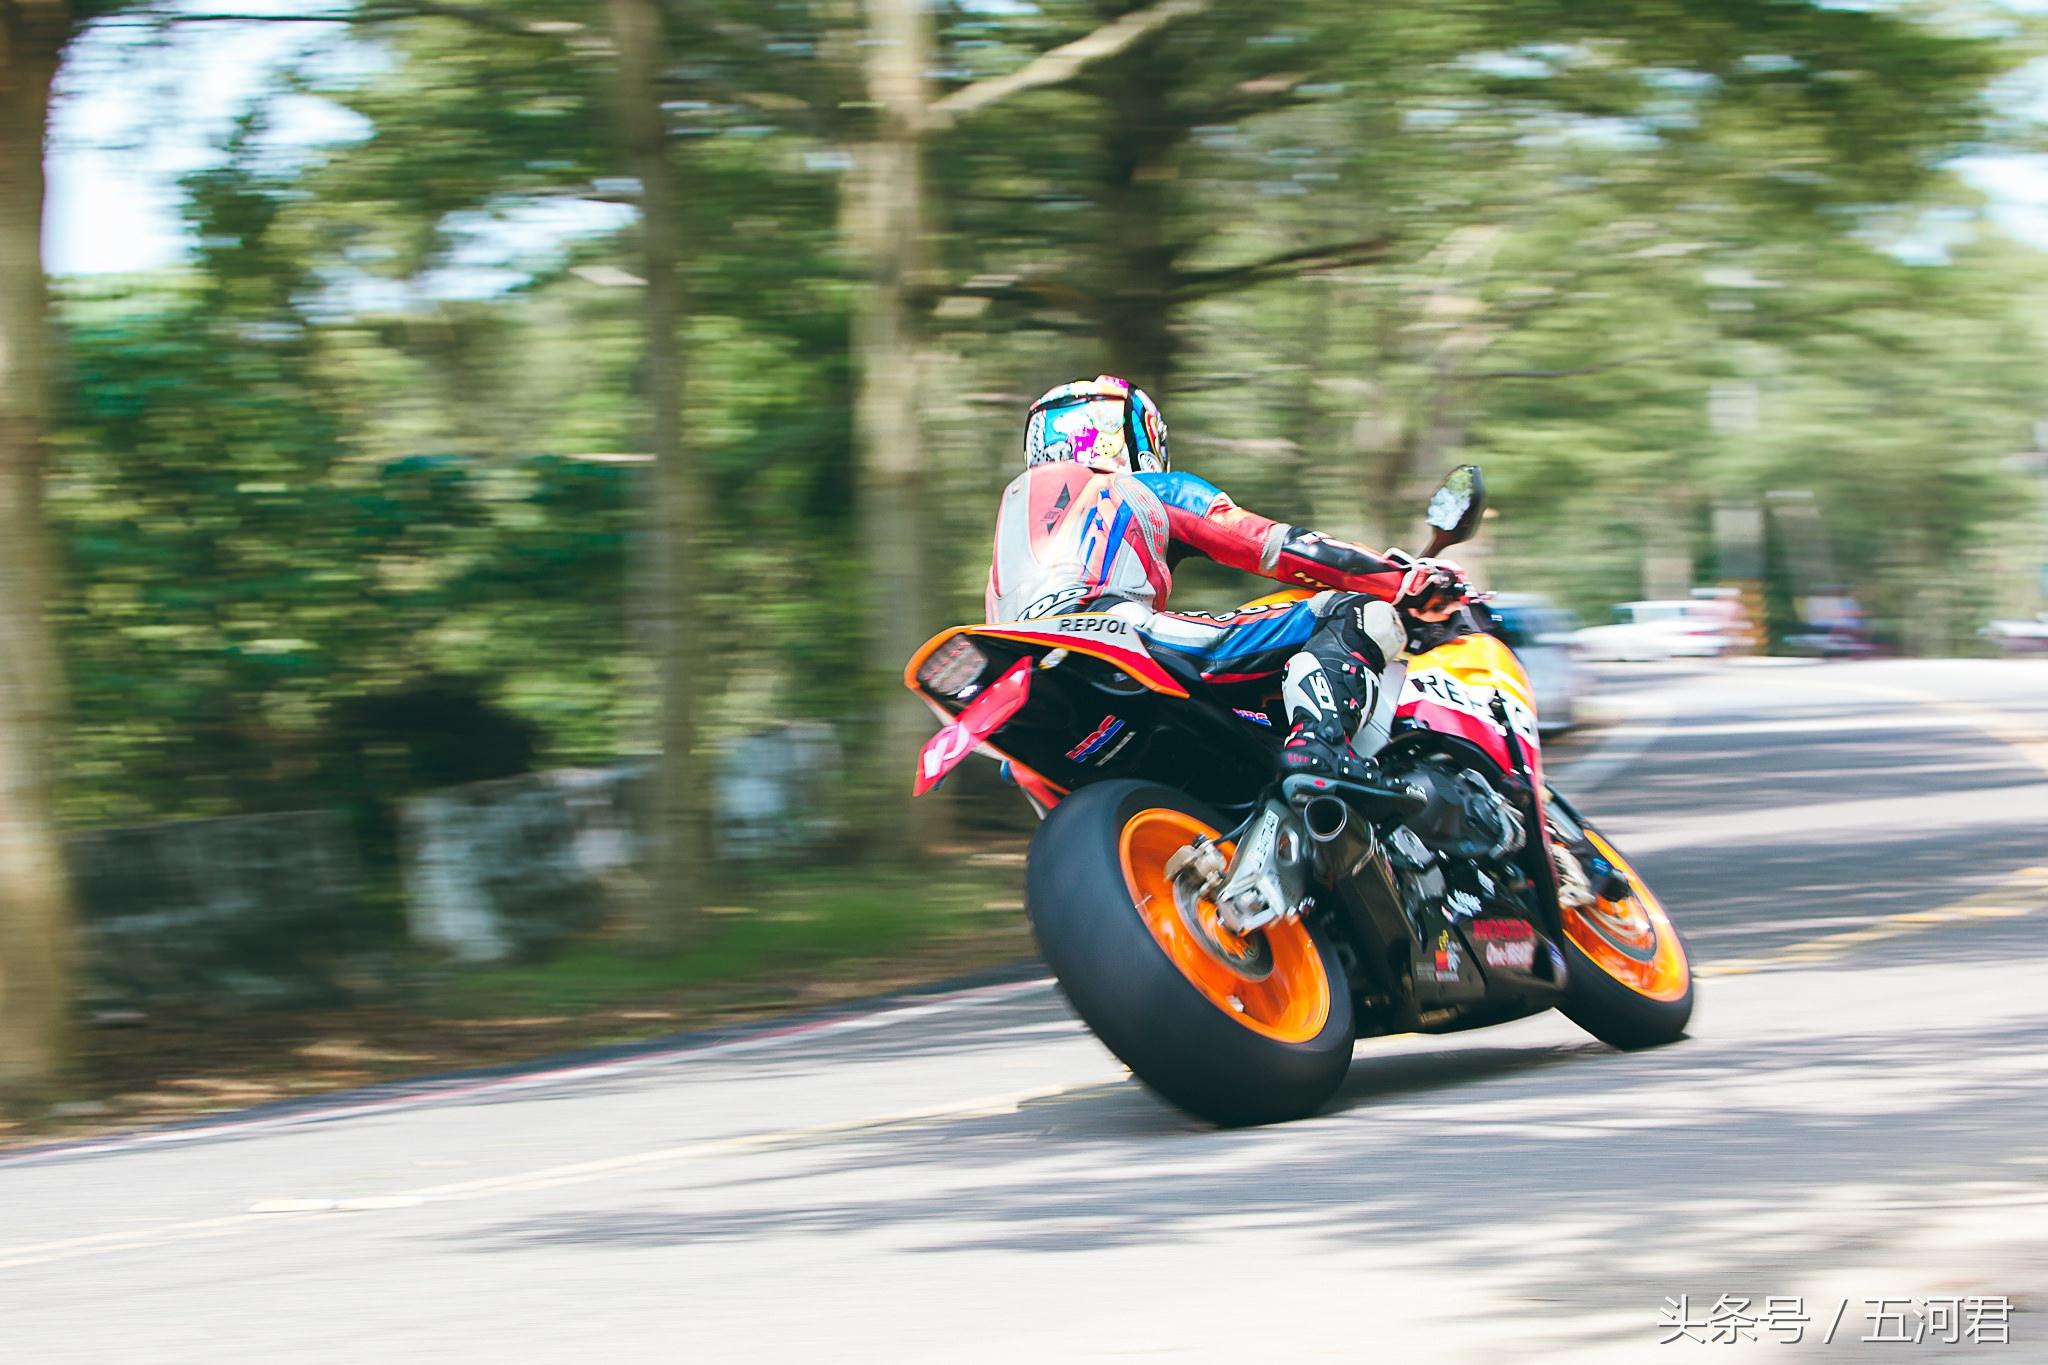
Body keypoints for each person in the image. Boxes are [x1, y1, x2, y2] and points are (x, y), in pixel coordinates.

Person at [987, 375, 1469, 780]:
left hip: (1026, 680)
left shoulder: (1010, 544)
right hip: (1116, 633)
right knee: (1358, 613)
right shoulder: (1137, 488)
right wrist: (1401, 580)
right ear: (1130, 435)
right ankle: (1318, 752)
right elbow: (1277, 546)